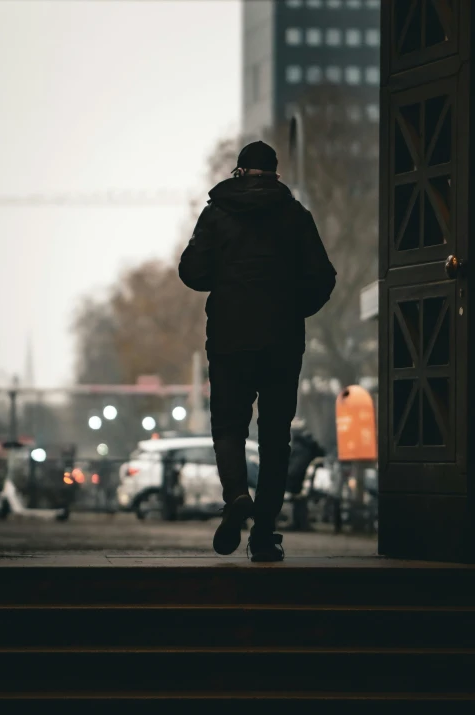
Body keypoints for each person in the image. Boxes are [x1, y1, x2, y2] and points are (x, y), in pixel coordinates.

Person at [178, 140, 336, 562]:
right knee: (275, 439)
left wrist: (225, 281)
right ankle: (264, 535)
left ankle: (236, 497)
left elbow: (191, 271)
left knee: (229, 426)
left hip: (230, 338)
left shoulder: (217, 214)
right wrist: (292, 308)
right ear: (275, 174)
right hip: (283, 342)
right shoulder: (296, 216)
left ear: (240, 172)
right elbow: (324, 277)